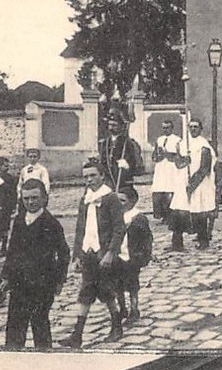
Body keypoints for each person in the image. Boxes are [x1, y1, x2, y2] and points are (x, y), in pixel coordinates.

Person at [60, 158, 126, 348]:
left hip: (104, 253)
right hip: (88, 253)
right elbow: (80, 228)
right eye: (86, 177)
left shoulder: (110, 198)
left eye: (93, 176)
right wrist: (77, 256)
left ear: (102, 176)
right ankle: (77, 334)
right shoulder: (85, 199)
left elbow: (119, 228)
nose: (89, 180)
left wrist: (111, 252)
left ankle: (116, 326)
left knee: (107, 290)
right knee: (86, 290)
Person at [2, 179, 70, 350]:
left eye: (34, 198)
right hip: (19, 283)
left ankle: (43, 356)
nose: (30, 202)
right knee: (16, 323)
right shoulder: (19, 220)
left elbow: (64, 254)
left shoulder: (51, 224)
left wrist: (59, 281)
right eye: (26, 199)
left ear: (44, 198)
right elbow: (12, 249)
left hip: (42, 284)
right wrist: (6, 276)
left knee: (40, 322)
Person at [168, 118, 217, 252]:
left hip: (199, 184)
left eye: (196, 127)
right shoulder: (183, 144)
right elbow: (178, 163)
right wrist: (184, 160)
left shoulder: (204, 146)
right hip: (182, 182)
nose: (193, 129)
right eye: (191, 126)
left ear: (201, 129)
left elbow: (204, 168)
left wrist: (192, 184)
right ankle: (177, 243)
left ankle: (203, 240)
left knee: (199, 212)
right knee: (178, 211)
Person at [115, 186, 153, 326]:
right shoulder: (115, 216)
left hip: (132, 257)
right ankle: (122, 308)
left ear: (132, 202)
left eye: (123, 200)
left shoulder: (138, 218)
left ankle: (134, 309)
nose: (119, 204)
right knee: (117, 284)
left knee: (132, 285)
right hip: (117, 255)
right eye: (117, 200)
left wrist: (143, 255)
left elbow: (147, 238)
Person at [98, 107, 144, 195]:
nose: (111, 128)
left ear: (122, 126)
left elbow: (140, 169)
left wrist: (128, 166)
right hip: (107, 186)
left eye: (114, 125)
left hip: (124, 185)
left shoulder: (130, 144)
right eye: (109, 125)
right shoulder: (104, 144)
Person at [151, 118, 183, 222]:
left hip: (171, 168)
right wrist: (157, 156)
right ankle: (162, 216)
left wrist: (167, 153)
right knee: (159, 191)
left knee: (170, 191)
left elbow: (179, 155)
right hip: (161, 168)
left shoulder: (177, 140)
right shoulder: (159, 139)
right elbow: (154, 154)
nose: (165, 130)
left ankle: (171, 216)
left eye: (168, 128)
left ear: (172, 128)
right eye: (164, 128)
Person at [0, 157, 18, 263]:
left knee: (3, 230)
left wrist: (12, 207)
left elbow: (12, 195)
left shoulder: (8, 180)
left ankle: (3, 247)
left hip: (4, 211)